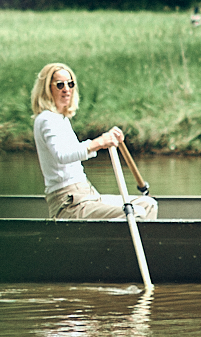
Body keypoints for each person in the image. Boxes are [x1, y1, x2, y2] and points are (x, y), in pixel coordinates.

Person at [31, 63, 157, 222]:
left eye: (70, 84)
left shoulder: (61, 119)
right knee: (137, 213)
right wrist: (99, 142)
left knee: (148, 204)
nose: (66, 89)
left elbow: (74, 153)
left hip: (86, 194)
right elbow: (62, 155)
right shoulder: (46, 119)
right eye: (59, 85)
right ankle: (113, 246)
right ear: (47, 89)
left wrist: (105, 139)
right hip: (69, 203)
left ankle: (139, 246)